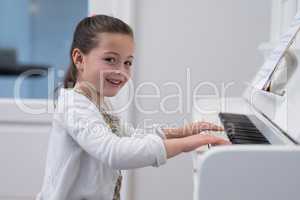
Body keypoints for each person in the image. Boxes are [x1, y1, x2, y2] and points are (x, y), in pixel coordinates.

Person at [36, 14, 230, 200]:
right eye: (110, 59)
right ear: (79, 59)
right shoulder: (75, 106)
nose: (121, 71)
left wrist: (183, 132)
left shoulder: (99, 101)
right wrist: (189, 143)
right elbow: (115, 152)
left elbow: (128, 136)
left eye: (127, 62)